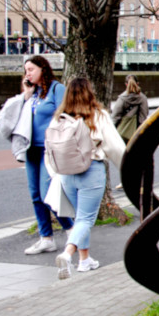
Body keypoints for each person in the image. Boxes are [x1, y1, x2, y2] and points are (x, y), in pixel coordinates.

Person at [50, 77, 126, 279]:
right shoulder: (97, 115)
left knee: (78, 218)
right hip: (91, 170)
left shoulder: (60, 118)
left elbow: (50, 149)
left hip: (66, 173)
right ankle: (67, 254)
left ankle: (85, 260)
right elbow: (115, 147)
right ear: (90, 92)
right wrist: (128, 168)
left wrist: (54, 172)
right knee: (85, 219)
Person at [0, 56, 74, 255]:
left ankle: (72, 231)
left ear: (43, 69)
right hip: (31, 149)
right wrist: (26, 94)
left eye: (31, 69)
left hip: (50, 149)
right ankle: (46, 238)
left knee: (49, 194)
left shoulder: (57, 89)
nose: (28, 74)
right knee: (36, 196)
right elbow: (13, 116)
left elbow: (68, 114)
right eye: (26, 71)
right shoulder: (32, 94)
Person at [111, 74, 149, 143]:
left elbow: (115, 117)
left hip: (122, 134)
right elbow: (142, 118)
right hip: (136, 136)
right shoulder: (143, 99)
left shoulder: (122, 98)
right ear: (137, 84)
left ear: (126, 84)